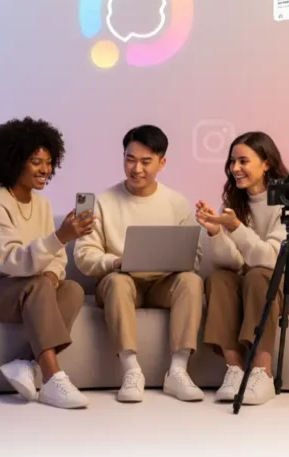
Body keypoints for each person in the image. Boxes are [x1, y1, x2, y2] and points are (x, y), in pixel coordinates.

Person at [0, 117, 95, 409]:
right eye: (36, 162)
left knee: (72, 290)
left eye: (49, 163)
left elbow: (57, 257)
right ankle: (52, 379)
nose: (45, 170)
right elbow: (10, 261)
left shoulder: (42, 205)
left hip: (17, 287)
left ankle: (25, 363)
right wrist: (61, 236)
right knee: (37, 286)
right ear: (14, 162)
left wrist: (52, 274)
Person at [195, 131, 289, 406]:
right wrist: (216, 232)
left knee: (259, 276)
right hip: (259, 280)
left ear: (266, 163)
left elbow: (272, 258)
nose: (235, 168)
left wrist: (236, 228)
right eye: (232, 162)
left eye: (243, 161)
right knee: (219, 279)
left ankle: (262, 372)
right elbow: (233, 264)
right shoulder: (235, 204)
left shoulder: (288, 201)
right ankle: (235, 370)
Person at [73, 125, 205, 403]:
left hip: (162, 284)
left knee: (191, 281)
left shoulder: (177, 203)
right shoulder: (101, 201)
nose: (136, 169)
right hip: (120, 281)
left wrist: (171, 262)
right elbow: (84, 255)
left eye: (146, 161)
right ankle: (131, 371)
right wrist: (115, 262)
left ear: (162, 163)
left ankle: (178, 371)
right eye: (130, 159)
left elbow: (194, 258)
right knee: (118, 282)